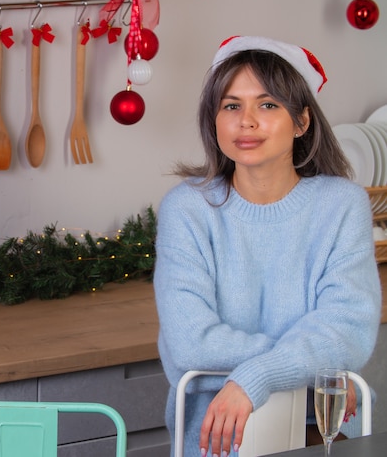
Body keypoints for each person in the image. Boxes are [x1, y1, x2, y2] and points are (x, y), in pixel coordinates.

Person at [153, 35, 381, 457]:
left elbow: (348, 329)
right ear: (214, 120)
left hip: (311, 432)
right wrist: (312, 367)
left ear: (302, 121)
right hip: (215, 437)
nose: (247, 121)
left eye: (269, 104)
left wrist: (255, 377)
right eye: (231, 105)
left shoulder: (341, 205)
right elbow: (190, 344)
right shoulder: (187, 209)